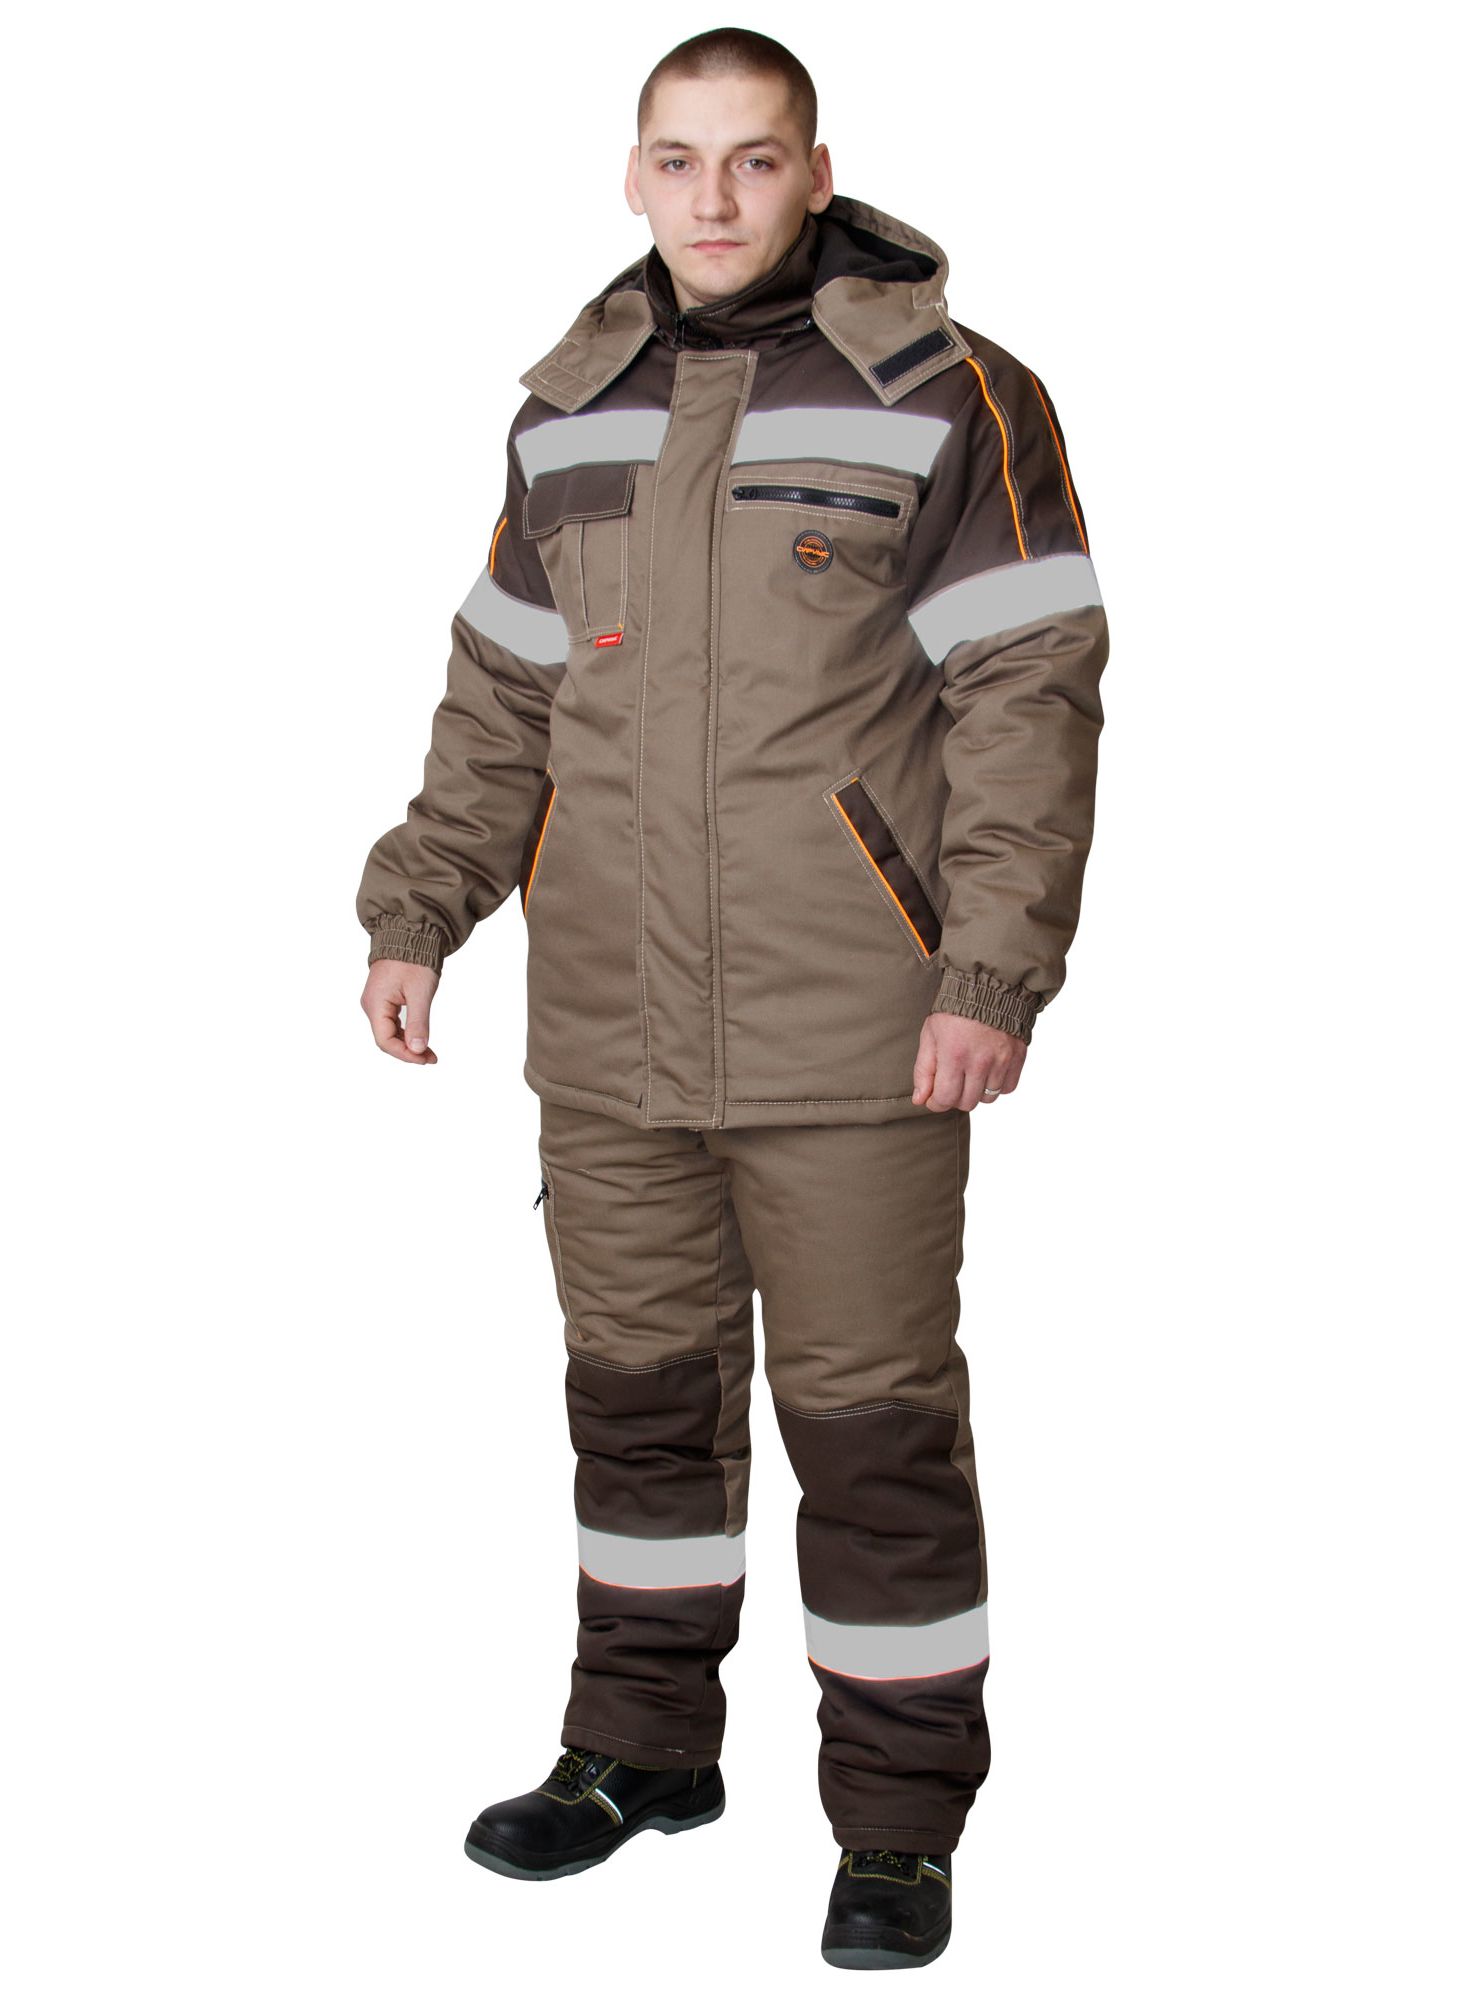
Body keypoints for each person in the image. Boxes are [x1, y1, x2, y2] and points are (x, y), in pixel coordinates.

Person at [355, 27, 1109, 1972]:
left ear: (815, 172)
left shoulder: (950, 395)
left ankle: (899, 1829)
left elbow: (1027, 699)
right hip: (608, 1026)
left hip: (855, 1026)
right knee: (638, 1412)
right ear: (632, 177)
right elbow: (502, 699)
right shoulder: (567, 412)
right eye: (677, 161)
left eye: (752, 160)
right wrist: (421, 907)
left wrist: (990, 969)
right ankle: (638, 1749)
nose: (713, 197)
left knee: (870, 1433)